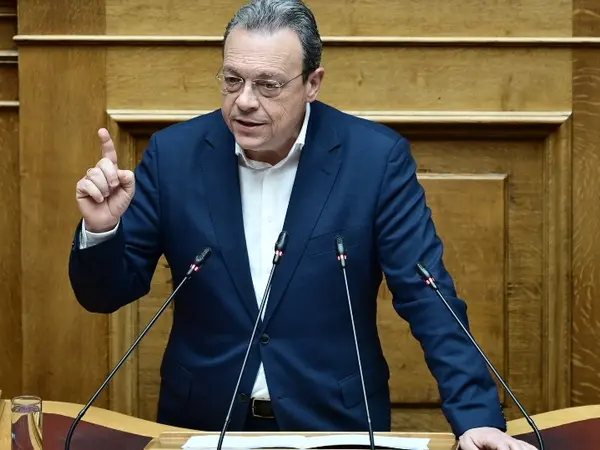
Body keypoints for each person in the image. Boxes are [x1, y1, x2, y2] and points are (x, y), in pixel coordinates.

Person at [69, 1, 537, 449]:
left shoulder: (373, 161)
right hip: (204, 423)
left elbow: (427, 294)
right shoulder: (173, 155)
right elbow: (104, 295)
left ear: (313, 82)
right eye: (232, 80)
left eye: (268, 85)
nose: (244, 101)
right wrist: (102, 230)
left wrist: (476, 415)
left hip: (335, 427)